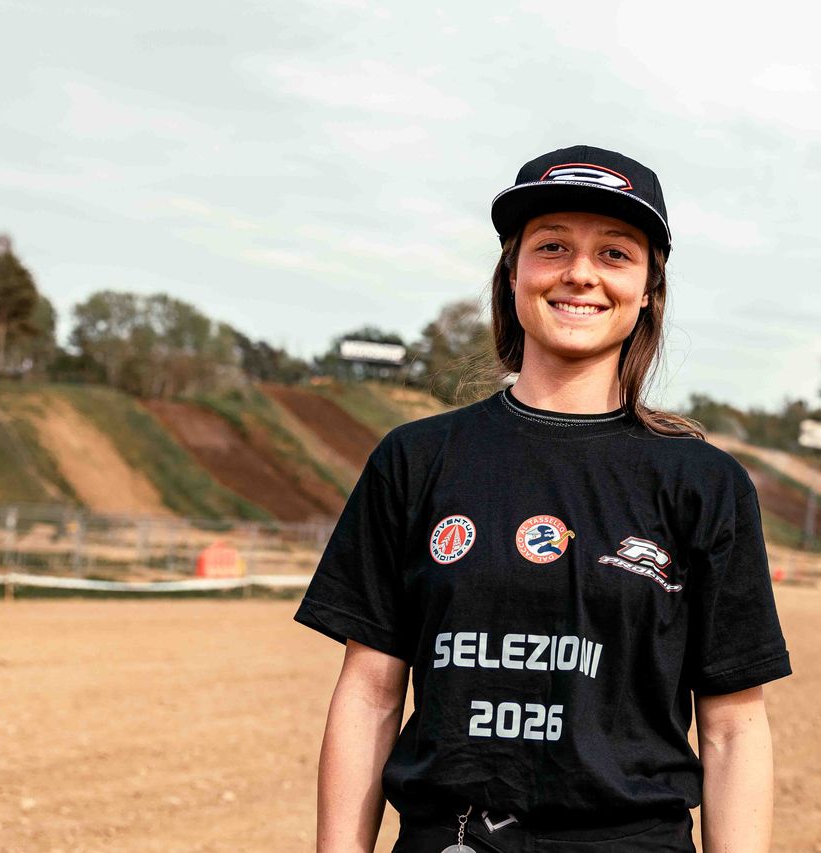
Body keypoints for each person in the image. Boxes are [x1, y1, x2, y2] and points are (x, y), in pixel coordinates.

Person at [295, 144, 791, 853]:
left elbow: (734, 728)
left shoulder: (703, 483)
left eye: (615, 253)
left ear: (648, 289)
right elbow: (371, 694)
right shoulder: (416, 460)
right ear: (513, 272)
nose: (580, 273)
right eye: (552, 245)